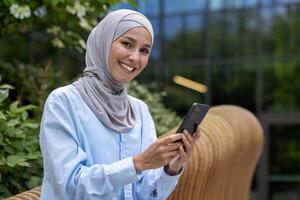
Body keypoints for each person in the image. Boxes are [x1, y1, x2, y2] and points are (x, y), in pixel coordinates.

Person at [39, 9, 201, 200]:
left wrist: (172, 166)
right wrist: (137, 164)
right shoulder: (63, 102)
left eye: (144, 50)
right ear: (104, 42)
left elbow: (144, 194)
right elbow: (69, 186)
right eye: (126, 43)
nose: (135, 57)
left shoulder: (139, 111)